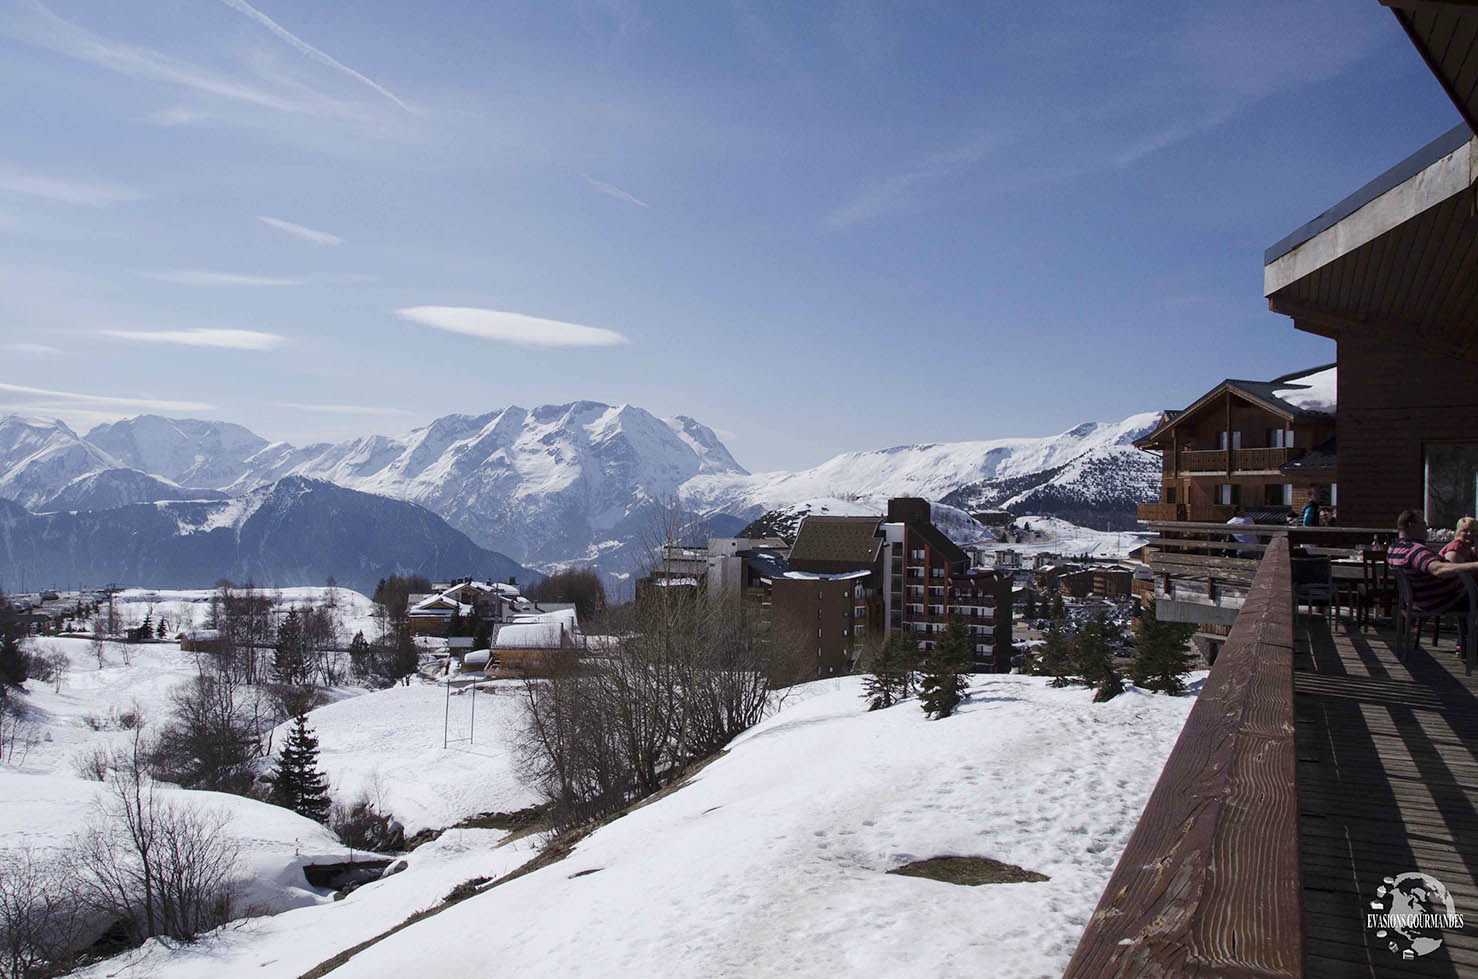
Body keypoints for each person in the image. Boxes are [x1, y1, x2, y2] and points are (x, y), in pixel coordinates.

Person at [1388, 510, 1478, 655]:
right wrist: (1474, 565)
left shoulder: (1395, 547)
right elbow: (1438, 569)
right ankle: (1467, 646)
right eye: (1423, 523)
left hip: (1421, 599)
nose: (1426, 527)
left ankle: (1467, 645)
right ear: (1412, 525)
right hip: (1442, 600)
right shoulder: (1416, 551)